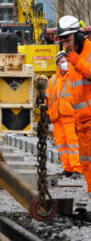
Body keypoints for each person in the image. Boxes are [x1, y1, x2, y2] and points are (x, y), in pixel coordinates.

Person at [57, 15, 91, 212]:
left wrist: (77, 62)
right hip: (83, 122)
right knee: (86, 165)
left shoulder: (85, 55)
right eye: (63, 41)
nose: (66, 45)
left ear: (78, 36)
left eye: (67, 40)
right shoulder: (72, 58)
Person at [46, 51, 82, 179]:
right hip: (57, 118)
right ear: (57, 64)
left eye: (66, 60)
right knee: (61, 145)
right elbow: (48, 98)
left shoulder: (74, 77)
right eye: (61, 61)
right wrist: (47, 114)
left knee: (73, 143)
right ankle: (68, 168)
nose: (64, 63)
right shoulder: (53, 80)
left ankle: (77, 168)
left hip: (71, 116)